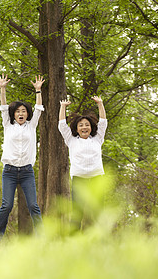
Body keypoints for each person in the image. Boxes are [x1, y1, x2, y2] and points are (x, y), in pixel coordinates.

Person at [0, 74, 44, 248]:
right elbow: (3, 107)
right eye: (18, 111)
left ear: (27, 114)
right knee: (6, 205)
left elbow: (38, 107)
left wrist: (38, 90)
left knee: (33, 206)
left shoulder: (32, 125)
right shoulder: (8, 124)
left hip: (27, 171)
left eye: (23, 111)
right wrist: (2, 88)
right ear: (13, 115)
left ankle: (42, 238)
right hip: (10, 171)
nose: (21, 113)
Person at [58, 96, 107, 230]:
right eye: (81, 125)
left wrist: (100, 104)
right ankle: (73, 244)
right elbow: (62, 125)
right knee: (77, 214)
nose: (84, 127)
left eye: (87, 125)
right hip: (79, 180)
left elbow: (103, 122)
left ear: (91, 128)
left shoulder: (98, 138)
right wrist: (63, 107)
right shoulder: (71, 140)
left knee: (98, 213)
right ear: (76, 128)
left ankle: (102, 244)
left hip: (96, 179)